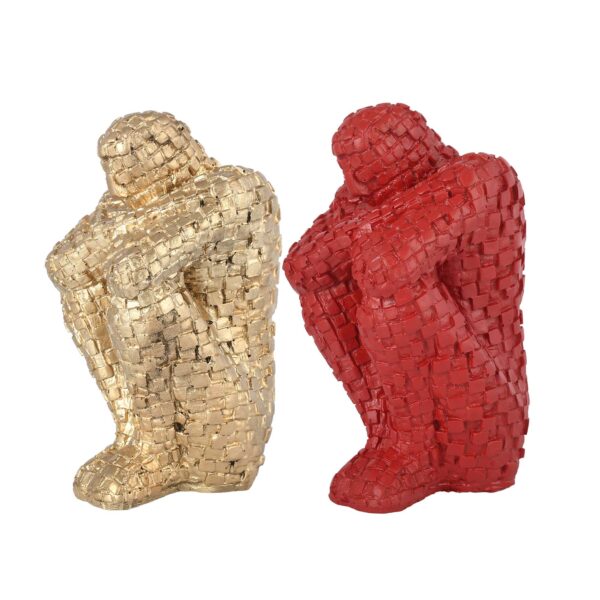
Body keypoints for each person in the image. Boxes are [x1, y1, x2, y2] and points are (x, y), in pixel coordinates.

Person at [285, 103, 528, 512]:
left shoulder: (479, 176)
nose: (354, 180)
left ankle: (413, 452)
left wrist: (366, 221)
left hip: (485, 405)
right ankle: (390, 437)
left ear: (406, 149)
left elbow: (384, 267)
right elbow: (303, 268)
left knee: (391, 298)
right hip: (420, 396)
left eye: (365, 166)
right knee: (324, 292)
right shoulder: (364, 196)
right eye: (346, 166)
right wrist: (373, 214)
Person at [47, 111, 281, 509]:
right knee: (82, 288)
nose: (118, 174)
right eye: (109, 161)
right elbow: (64, 265)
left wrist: (126, 224)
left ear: (167, 151)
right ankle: (135, 436)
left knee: (139, 297)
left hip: (228, 413)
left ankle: (158, 452)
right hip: (173, 402)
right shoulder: (126, 205)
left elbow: (135, 272)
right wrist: (122, 218)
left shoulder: (235, 189)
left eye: (129, 158)